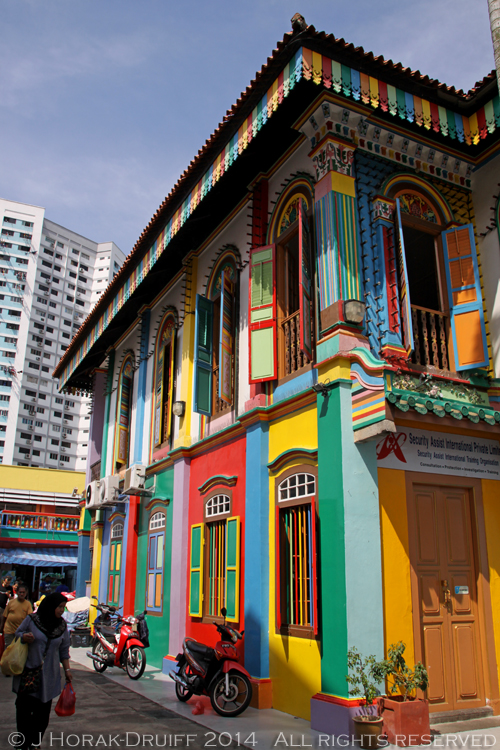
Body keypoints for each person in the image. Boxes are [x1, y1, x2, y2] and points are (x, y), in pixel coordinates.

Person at [14, 593, 72, 750]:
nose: (61, 610)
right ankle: (23, 743)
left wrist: (67, 670)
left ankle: (35, 743)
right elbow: (18, 633)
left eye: (63, 607)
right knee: (24, 711)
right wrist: (24, 637)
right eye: (59, 607)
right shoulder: (32, 620)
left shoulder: (62, 626)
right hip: (29, 673)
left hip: (49, 676)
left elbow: (64, 650)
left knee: (42, 715)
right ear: (50, 606)